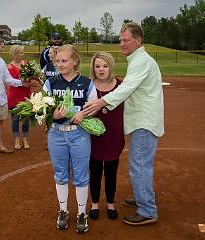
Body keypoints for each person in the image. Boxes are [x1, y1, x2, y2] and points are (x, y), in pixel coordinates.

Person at [83, 22, 164, 225]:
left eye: (126, 40)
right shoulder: (138, 60)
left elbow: (125, 88)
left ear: (138, 40)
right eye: (121, 39)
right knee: (140, 164)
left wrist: (102, 101)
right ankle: (141, 197)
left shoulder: (141, 61)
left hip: (144, 123)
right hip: (142, 121)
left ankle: (147, 209)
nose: (122, 43)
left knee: (139, 165)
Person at [43, 44, 97, 233]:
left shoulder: (87, 83)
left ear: (75, 61)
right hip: (57, 133)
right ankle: (63, 210)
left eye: (64, 60)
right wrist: (53, 116)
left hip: (79, 134)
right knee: (60, 174)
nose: (60, 64)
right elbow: (41, 112)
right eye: (57, 61)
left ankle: (82, 214)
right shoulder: (50, 83)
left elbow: (94, 108)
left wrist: (84, 114)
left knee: (81, 176)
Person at [88, 52, 124, 221]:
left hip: (113, 136)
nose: (101, 69)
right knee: (94, 172)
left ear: (111, 67)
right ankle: (94, 203)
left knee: (111, 172)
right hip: (93, 138)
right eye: (97, 66)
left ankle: (110, 203)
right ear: (93, 69)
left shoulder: (121, 85)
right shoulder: (88, 86)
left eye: (105, 65)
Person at [7, 45, 31, 150]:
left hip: (26, 95)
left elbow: (32, 76)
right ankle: (16, 138)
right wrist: (22, 83)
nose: (22, 55)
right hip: (14, 96)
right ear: (14, 53)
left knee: (26, 118)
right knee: (15, 119)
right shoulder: (10, 67)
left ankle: (25, 138)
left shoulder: (26, 64)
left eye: (22, 53)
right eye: (20, 53)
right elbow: (11, 81)